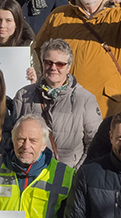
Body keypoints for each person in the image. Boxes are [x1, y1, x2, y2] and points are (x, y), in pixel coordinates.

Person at [11, 38, 104, 168]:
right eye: (49, 62)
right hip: (30, 174)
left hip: (69, 176)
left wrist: (77, 173)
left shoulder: (85, 99)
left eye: (60, 64)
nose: (53, 68)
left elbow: (95, 144)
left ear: (68, 67)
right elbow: (12, 135)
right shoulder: (24, 95)